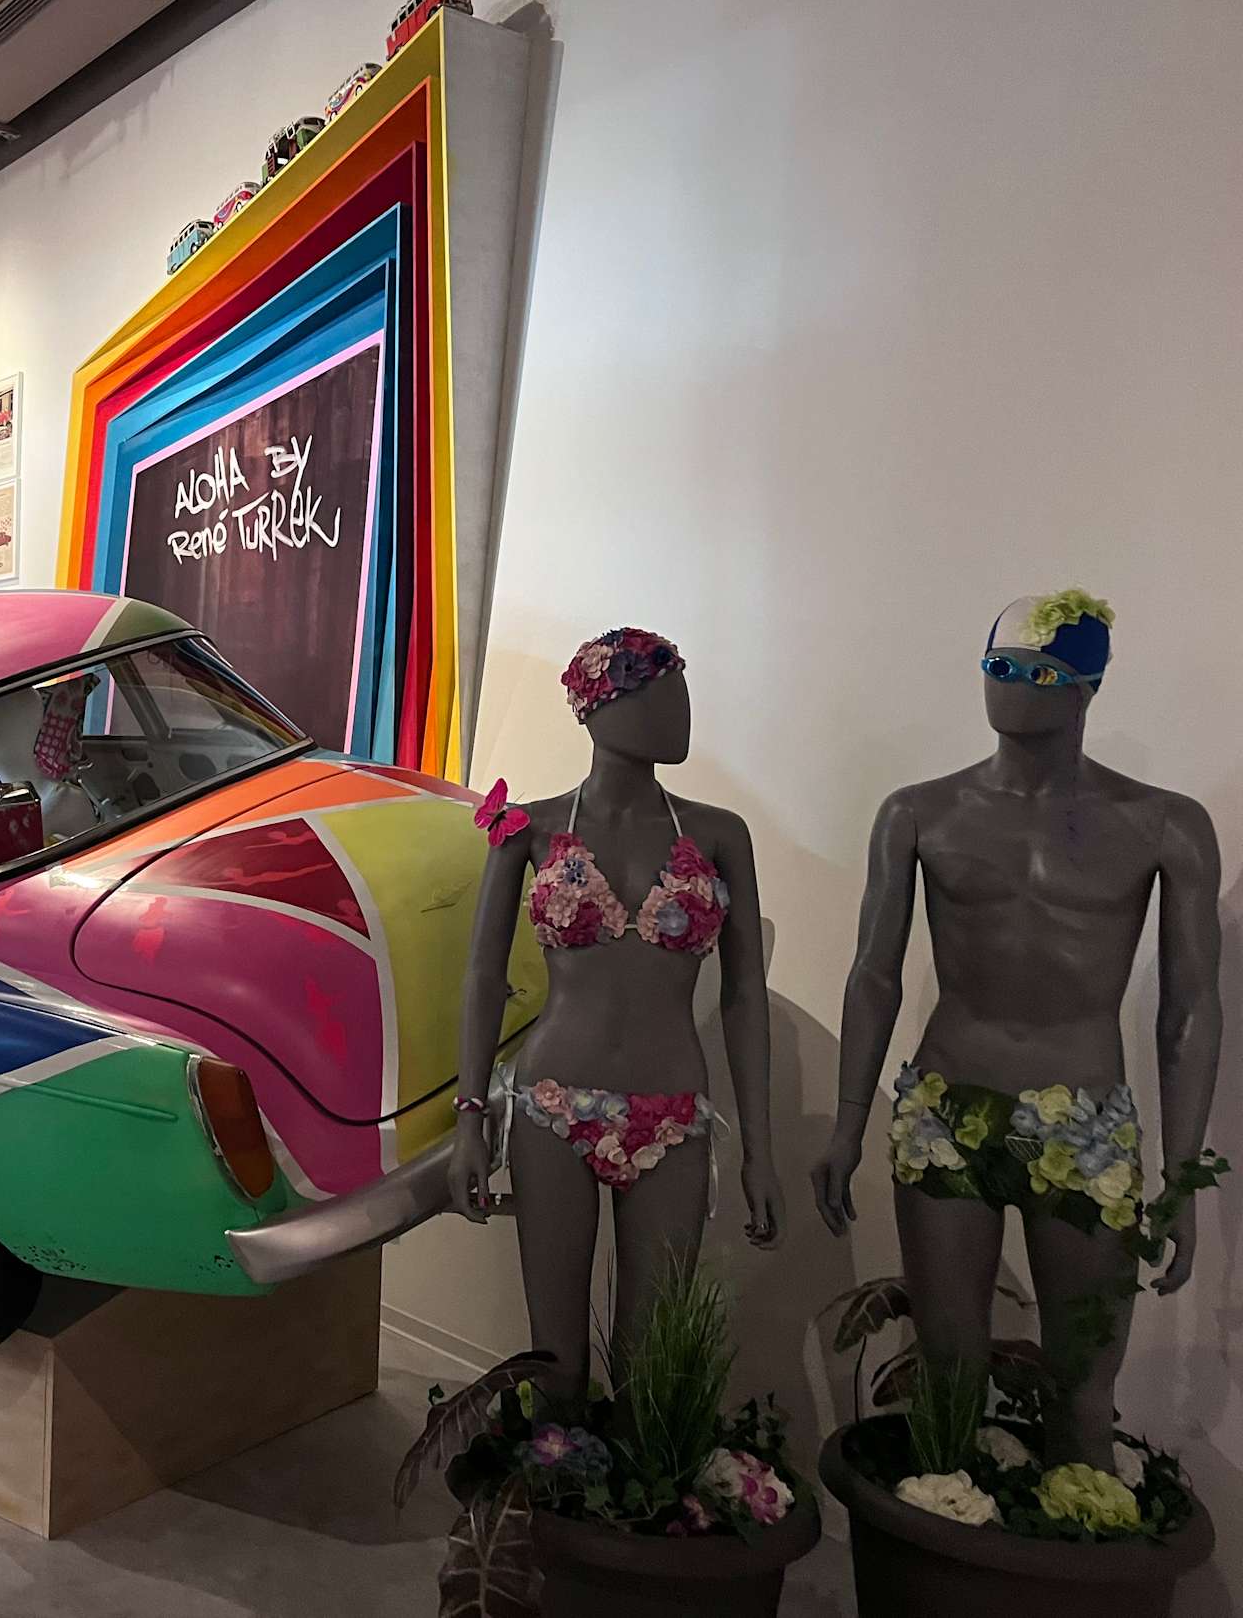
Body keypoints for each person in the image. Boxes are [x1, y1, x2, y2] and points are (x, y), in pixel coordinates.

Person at [810, 590, 1222, 1464]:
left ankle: (1079, 1523)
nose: (1009, 689)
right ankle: (945, 1526)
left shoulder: (1164, 824)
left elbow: (1189, 1008)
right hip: (946, 1109)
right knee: (948, 1372)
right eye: (998, 667)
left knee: (1084, 1385)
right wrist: (849, 1123)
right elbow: (874, 973)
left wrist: (1183, 1174)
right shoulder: (919, 812)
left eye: (1037, 674)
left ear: (1086, 688)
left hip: (1085, 1118)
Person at [450, 628, 785, 1408]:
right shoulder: (527, 829)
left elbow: (745, 995)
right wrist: (469, 1118)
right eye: (658, 692)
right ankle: (552, 1476)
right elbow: (483, 977)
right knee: (554, 1360)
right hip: (551, 1102)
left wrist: (759, 1152)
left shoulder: (720, 835)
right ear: (598, 708)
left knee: (651, 1362)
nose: (681, 710)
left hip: (673, 1109)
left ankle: (633, 1481)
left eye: (682, 690)